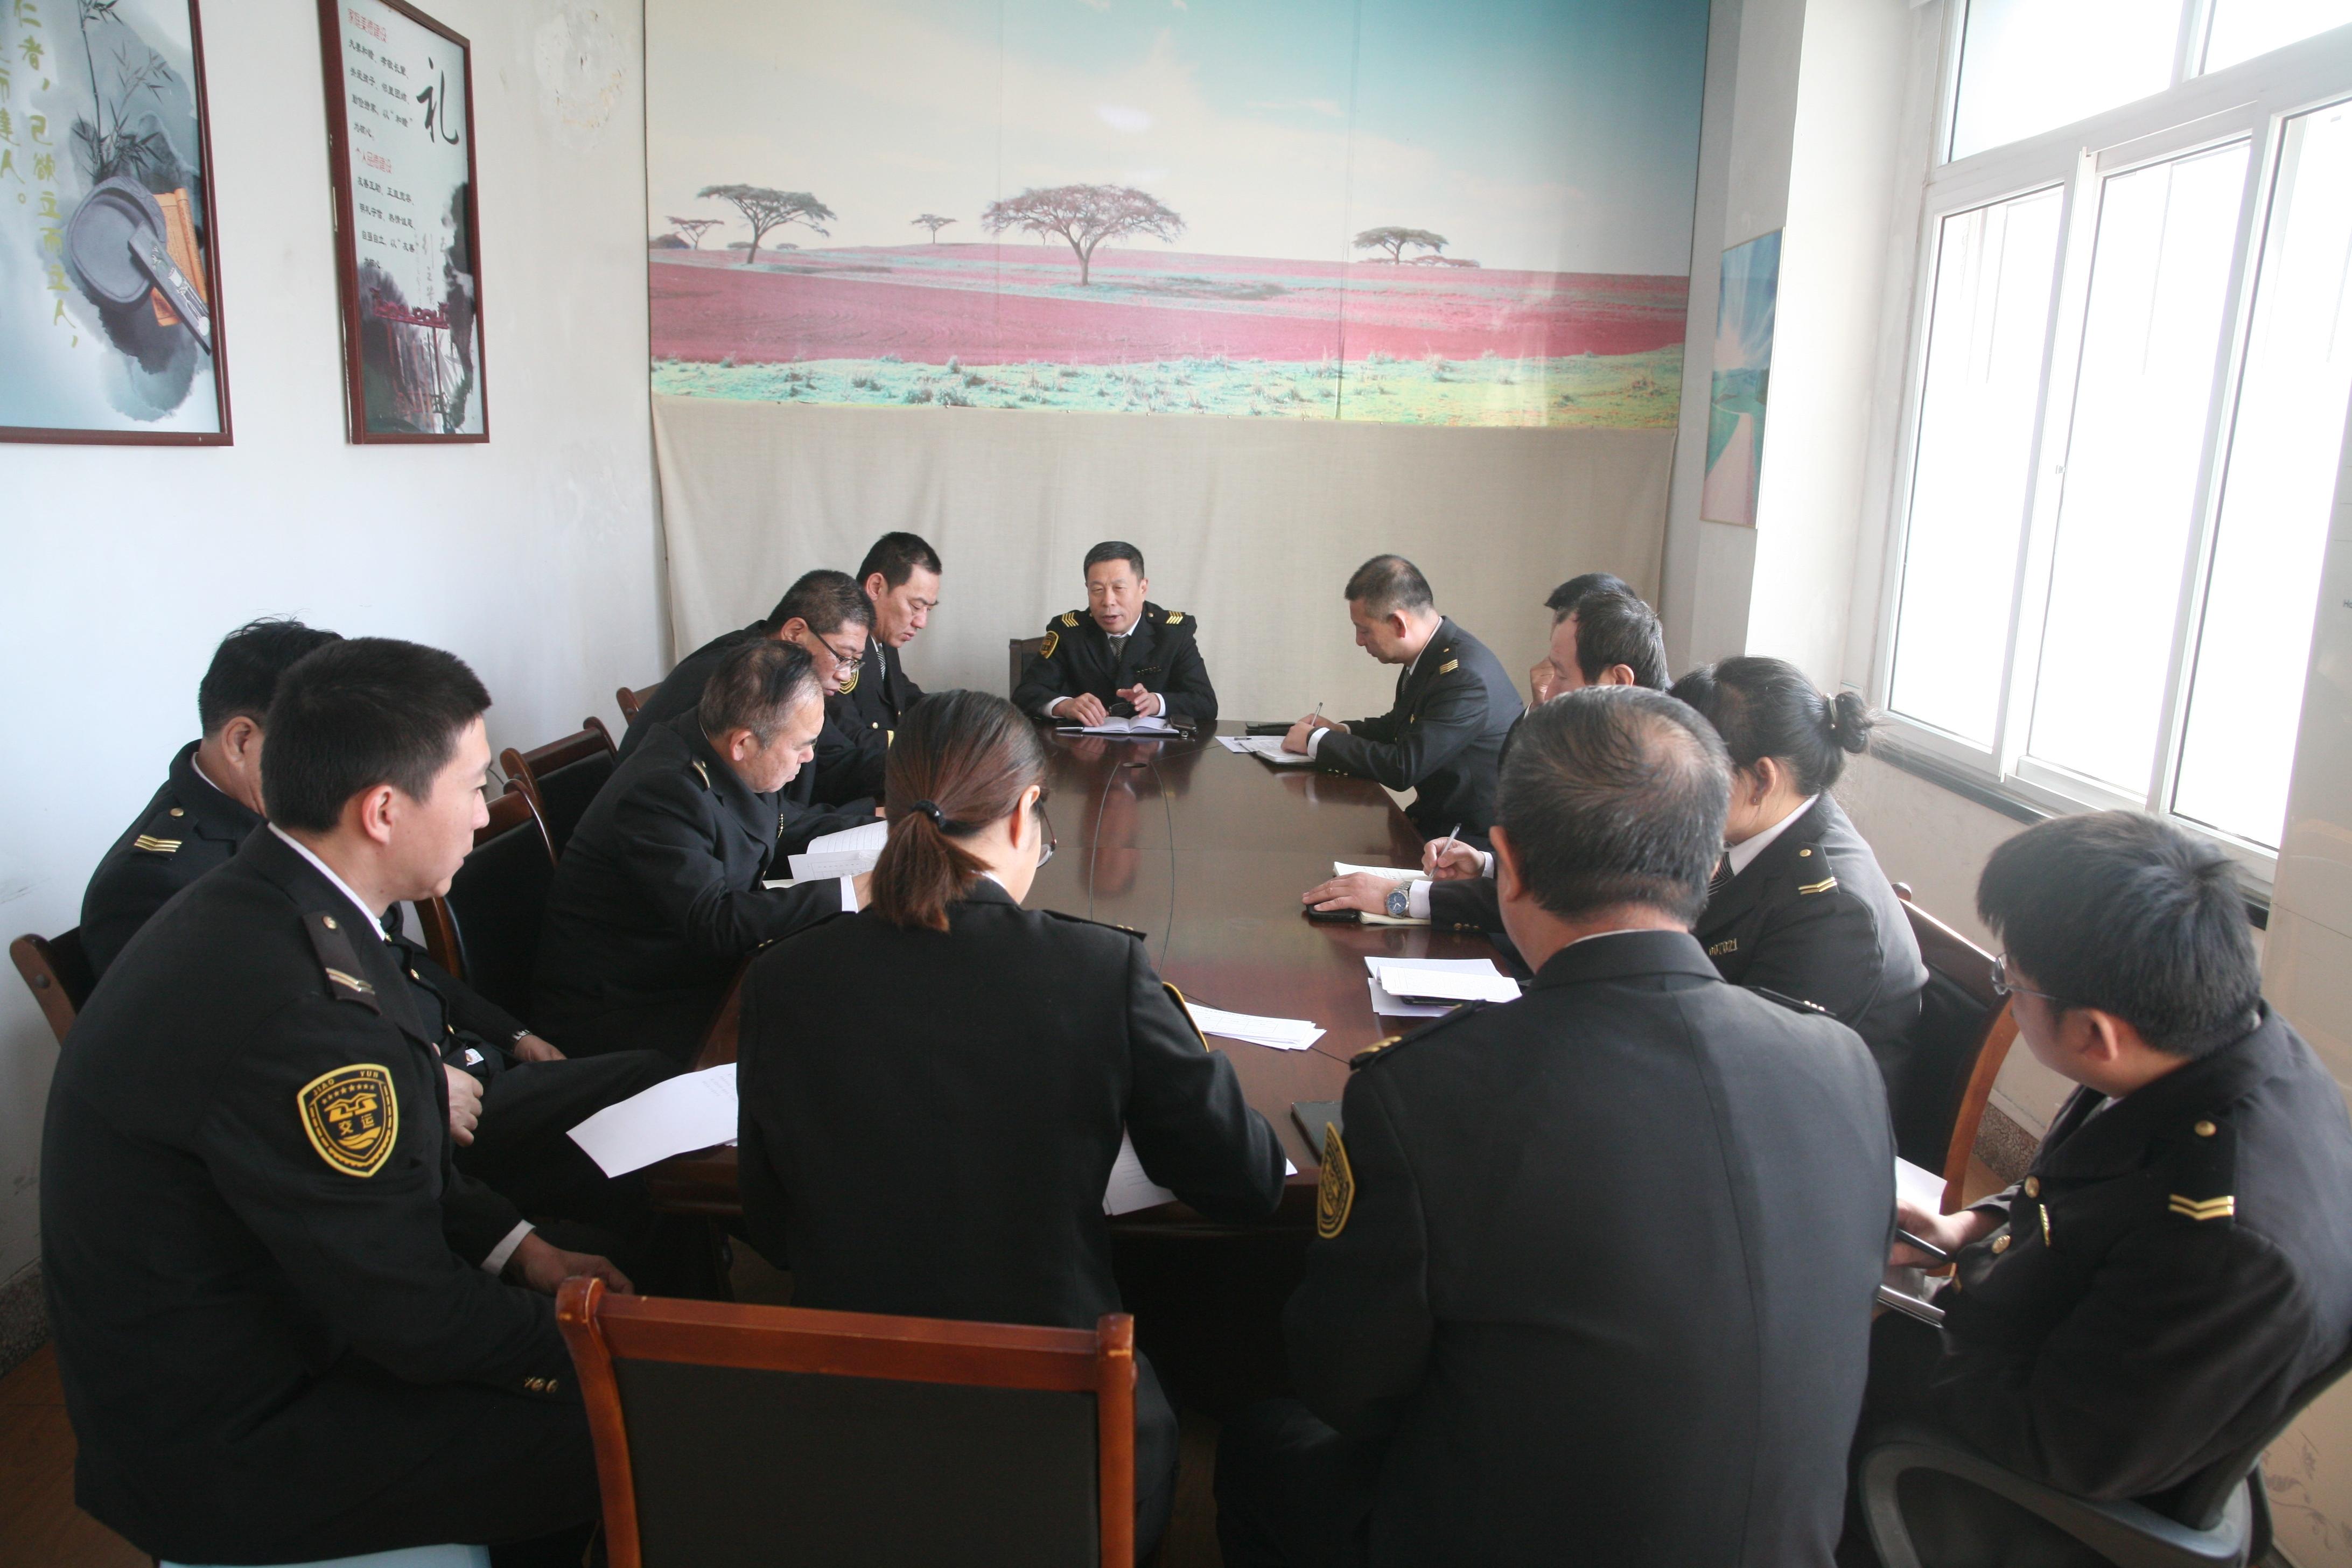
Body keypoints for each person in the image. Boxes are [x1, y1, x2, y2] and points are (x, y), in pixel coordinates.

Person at [1219, 687, 1895, 1568]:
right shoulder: (1842, 1064)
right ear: (1707, 859)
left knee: (1260, 1440)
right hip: (1783, 1546)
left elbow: (1342, 1384)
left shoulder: (1425, 1095)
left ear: (1506, 863)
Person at [42, 638, 618, 1567]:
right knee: (608, 1425)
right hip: (233, 1429)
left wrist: (524, 1249)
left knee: (579, 1307)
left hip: (281, 1320)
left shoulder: (289, 897)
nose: (485, 813)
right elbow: (410, 1311)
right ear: (383, 810)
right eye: (472, 786)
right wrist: (607, 1348)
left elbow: (399, 1168)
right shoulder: (299, 1006)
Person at [735, 689, 1285, 1557]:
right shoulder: (1097, 970)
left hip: (847, 1419)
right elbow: (1248, 1184)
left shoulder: (782, 980)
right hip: (1057, 1433)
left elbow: (771, 1227)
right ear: (1028, 811)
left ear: (889, 812)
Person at [77, 620, 695, 1286]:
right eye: (472, 788)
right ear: (244, 739)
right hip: (374, 1130)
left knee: (646, 1125)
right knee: (635, 1148)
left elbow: (397, 959)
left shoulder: (305, 851)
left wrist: (508, 1036)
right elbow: (269, 1086)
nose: (483, 812)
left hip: (424, 1081)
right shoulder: (174, 884)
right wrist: (421, 1086)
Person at [1846, 811, 2352, 1567]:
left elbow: (2060, 1446)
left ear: (2094, 1032)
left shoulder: (2228, 1241)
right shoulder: (2215, 1046)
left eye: (2012, 982)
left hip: (2014, 1479)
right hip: (2044, 1345)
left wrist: (1892, 1333)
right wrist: (1971, 1229)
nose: (2007, 995)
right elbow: (2088, 1185)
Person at [535, 639, 856, 1061]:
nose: (810, 757)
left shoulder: (719, 745)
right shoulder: (662, 792)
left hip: (689, 973)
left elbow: (783, 823)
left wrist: (885, 828)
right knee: (813, 1033)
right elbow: (714, 920)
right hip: (627, 1006)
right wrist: (853, 892)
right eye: (801, 745)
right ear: (743, 744)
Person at [1301, 580, 1664, 923]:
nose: (1548, 689)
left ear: (1618, 681)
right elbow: (1551, 871)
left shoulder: (1648, 779)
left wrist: (1401, 897)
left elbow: (1549, 899)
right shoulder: (1617, 746)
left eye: (1561, 674)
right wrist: (1485, 865)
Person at [1670, 657, 1926, 1051]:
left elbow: (1757, 1058)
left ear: (1762, 780)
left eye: (1685, 771)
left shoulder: (1831, 912)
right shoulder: (1767, 820)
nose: (1665, 787)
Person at [80, 616, 342, 972]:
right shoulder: (150, 885)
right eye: (322, 748)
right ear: (241, 742)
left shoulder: (286, 808)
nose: (344, 769)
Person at [617, 569, 884, 844]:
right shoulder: (738, 684)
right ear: (795, 633)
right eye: (843, 657)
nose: (846, 675)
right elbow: (757, 823)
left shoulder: (786, 682)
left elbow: (834, 761)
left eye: (854, 662)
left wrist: (906, 771)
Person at [1283, 555, 1521, 843]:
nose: (1359, 641)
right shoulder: (1434, 654)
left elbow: (1404, 767)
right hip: (1435, 824)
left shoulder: (1464, 677)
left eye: (1364, 630)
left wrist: (1318, 741)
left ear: (1398, 624)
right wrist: (1342, 731)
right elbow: (1401, 724)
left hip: (1465, 842)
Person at [1012, 540, 1217, 726]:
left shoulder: (1174, 633)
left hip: (1155, 750)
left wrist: (1157, 703)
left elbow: (1205, 703)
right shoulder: (1068, 632)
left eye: (1119, 588)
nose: (1108, 601)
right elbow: (1026, 694)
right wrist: (1064, 706)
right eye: (1097, 590)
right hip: (1082, 749)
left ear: (1143, 588)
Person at [840, 529, 941, 752]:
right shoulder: (838, 645)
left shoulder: (883, 637)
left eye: (928, 609)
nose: (922, 622)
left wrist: (959, 711)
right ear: (876, 587)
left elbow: (903, 695)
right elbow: (847, 741)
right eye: (916, 606)